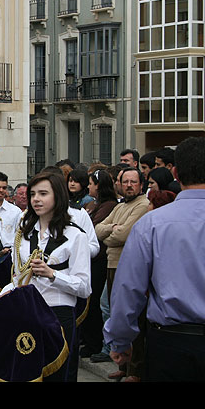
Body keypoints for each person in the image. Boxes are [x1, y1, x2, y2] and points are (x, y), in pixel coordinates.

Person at [104, 136, 205, 381]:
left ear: (176, 173)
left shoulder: (152, 223)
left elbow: (129, 287)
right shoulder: (151, 223)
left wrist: (120, 340)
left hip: (171, 342)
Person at [5, 171, 91, 382]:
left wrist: (52, 275)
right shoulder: (23, 235)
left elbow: (84, 287)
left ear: (58, 196)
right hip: (27, 312)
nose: (36, 199)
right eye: (33, 193)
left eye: (43, 193)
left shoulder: (75, 236)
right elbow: (17, 279)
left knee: (58, 376)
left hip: (58, 314)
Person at [94, 166, 149, 381]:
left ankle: (135, 369)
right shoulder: (119, 206)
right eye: (125, 181)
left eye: (133, 182)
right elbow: (98, 229)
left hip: (127, 266)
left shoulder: (142, 205)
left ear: (141, 184)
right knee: (116, 315)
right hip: (112, 264)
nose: (128, 185)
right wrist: (112, 230)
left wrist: (111, 231)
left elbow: (124, 235)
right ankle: (123, 364)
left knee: (132, 318)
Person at [79, 169, 118, 360]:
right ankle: (89, 340)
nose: (88, 187)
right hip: (91, 260)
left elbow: (95, 230)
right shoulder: (94, 204)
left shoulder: (109, 205)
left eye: (91, 184)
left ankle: (97, 343)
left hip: (101, 260)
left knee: (97, 304)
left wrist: (101, 228)